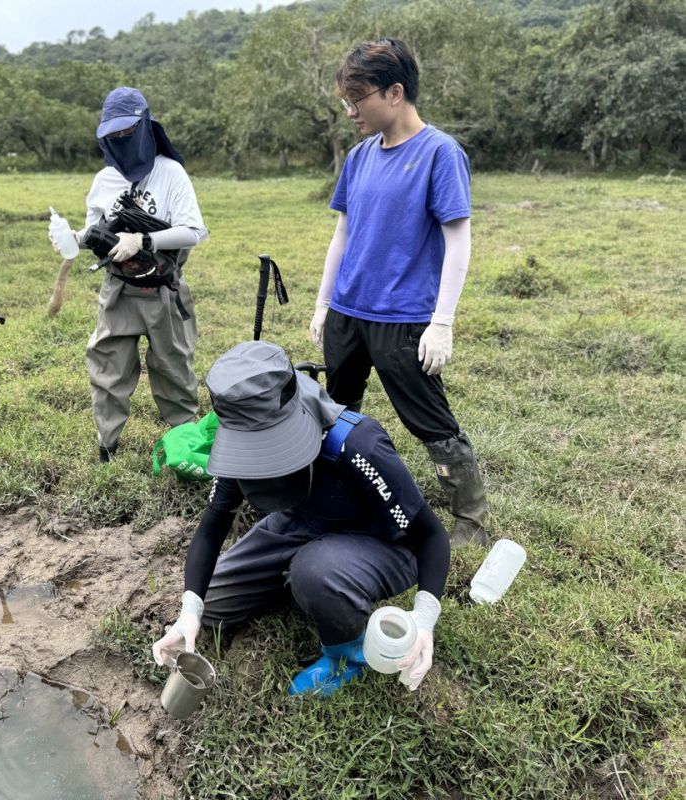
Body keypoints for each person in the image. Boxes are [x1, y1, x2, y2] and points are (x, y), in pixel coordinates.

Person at [151, 341, 450, 696]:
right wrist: (190, 611)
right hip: (303, 524)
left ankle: (345, 654)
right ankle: (301, 583)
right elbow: (214, 523)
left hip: (383, 542)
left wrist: (424, 618)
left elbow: (431, 536)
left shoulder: (355, 444)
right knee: (212, 606)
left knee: (315, 570)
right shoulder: (240, 436)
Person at [307, 38, 489, 547]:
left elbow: (458, 242)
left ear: (394, 92)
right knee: (335, 411)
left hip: (403, 319)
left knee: (430, 421)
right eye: (344, 101)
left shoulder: (440, 154)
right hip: (348, 310)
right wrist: (323, 302)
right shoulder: (361, 155)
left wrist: (443, 321)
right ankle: (340, 495)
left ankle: (470, 520)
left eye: (356, 99)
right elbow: (342, 233)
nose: (349, 112)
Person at [50, 87, 209, 462]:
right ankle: (108, 448)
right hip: (118, 290)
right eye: (113, 136)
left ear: (144, 127)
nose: (121, 141)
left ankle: (185, 445)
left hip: (163, 293)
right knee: (108, 367)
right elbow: (94, 235)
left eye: (127, 133)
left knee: (173, 370)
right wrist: (71, 238)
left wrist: (143, 239)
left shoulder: (170, 173)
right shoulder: (104, 180)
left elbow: (194, 231)